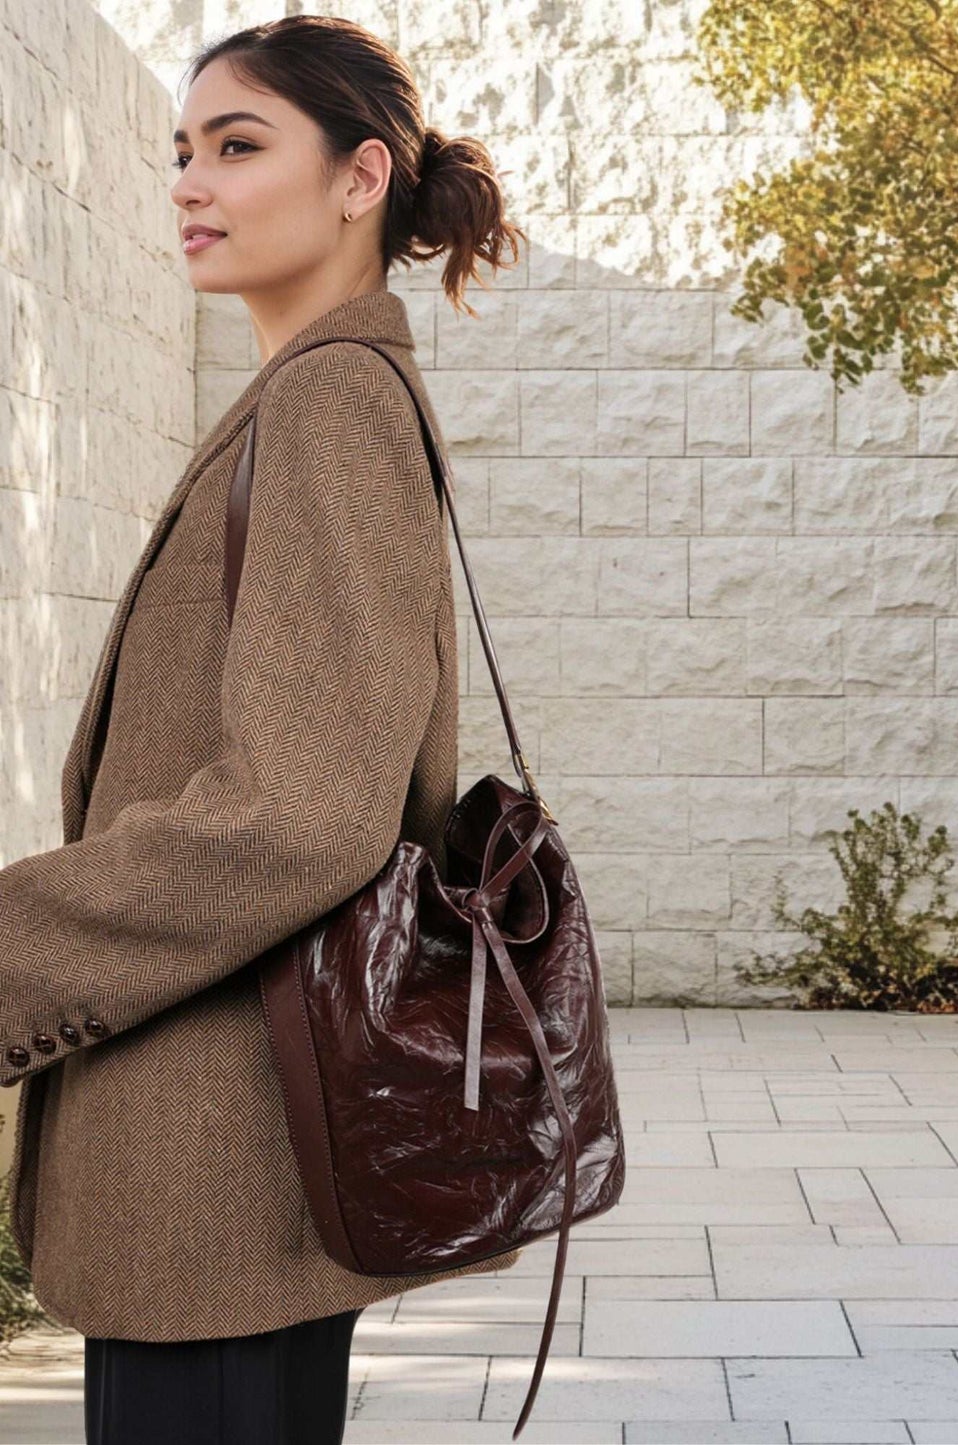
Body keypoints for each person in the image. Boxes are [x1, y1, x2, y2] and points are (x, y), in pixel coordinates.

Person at [0, 16, 528, 1443]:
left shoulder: (331, 403)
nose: (191, 181)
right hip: (215, 1161)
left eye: (237, 147)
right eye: (182, 150)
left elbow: (298, 810)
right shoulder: (299, 397)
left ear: (362, 179)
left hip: (222, 1164)